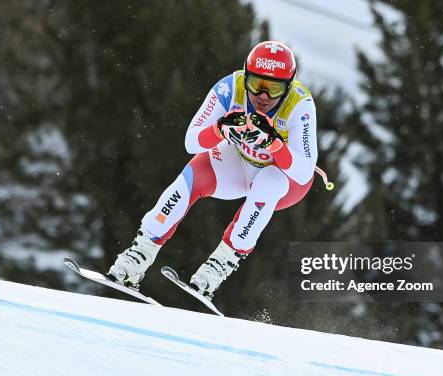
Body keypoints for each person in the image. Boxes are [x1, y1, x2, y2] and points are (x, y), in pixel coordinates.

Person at [107, 40, 327, 299]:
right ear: (245, 76)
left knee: (269, 180)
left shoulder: (299, 105)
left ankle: (218, 266)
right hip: (240, 163)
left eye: (274, 88)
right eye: (256, 84)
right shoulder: (230, 87)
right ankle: (138, 254)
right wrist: (219, 128)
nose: (263, 96)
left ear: (289, 86)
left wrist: (274, 144)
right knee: (192, 176)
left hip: (285, 180)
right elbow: (191, 141)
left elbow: (304, 172)